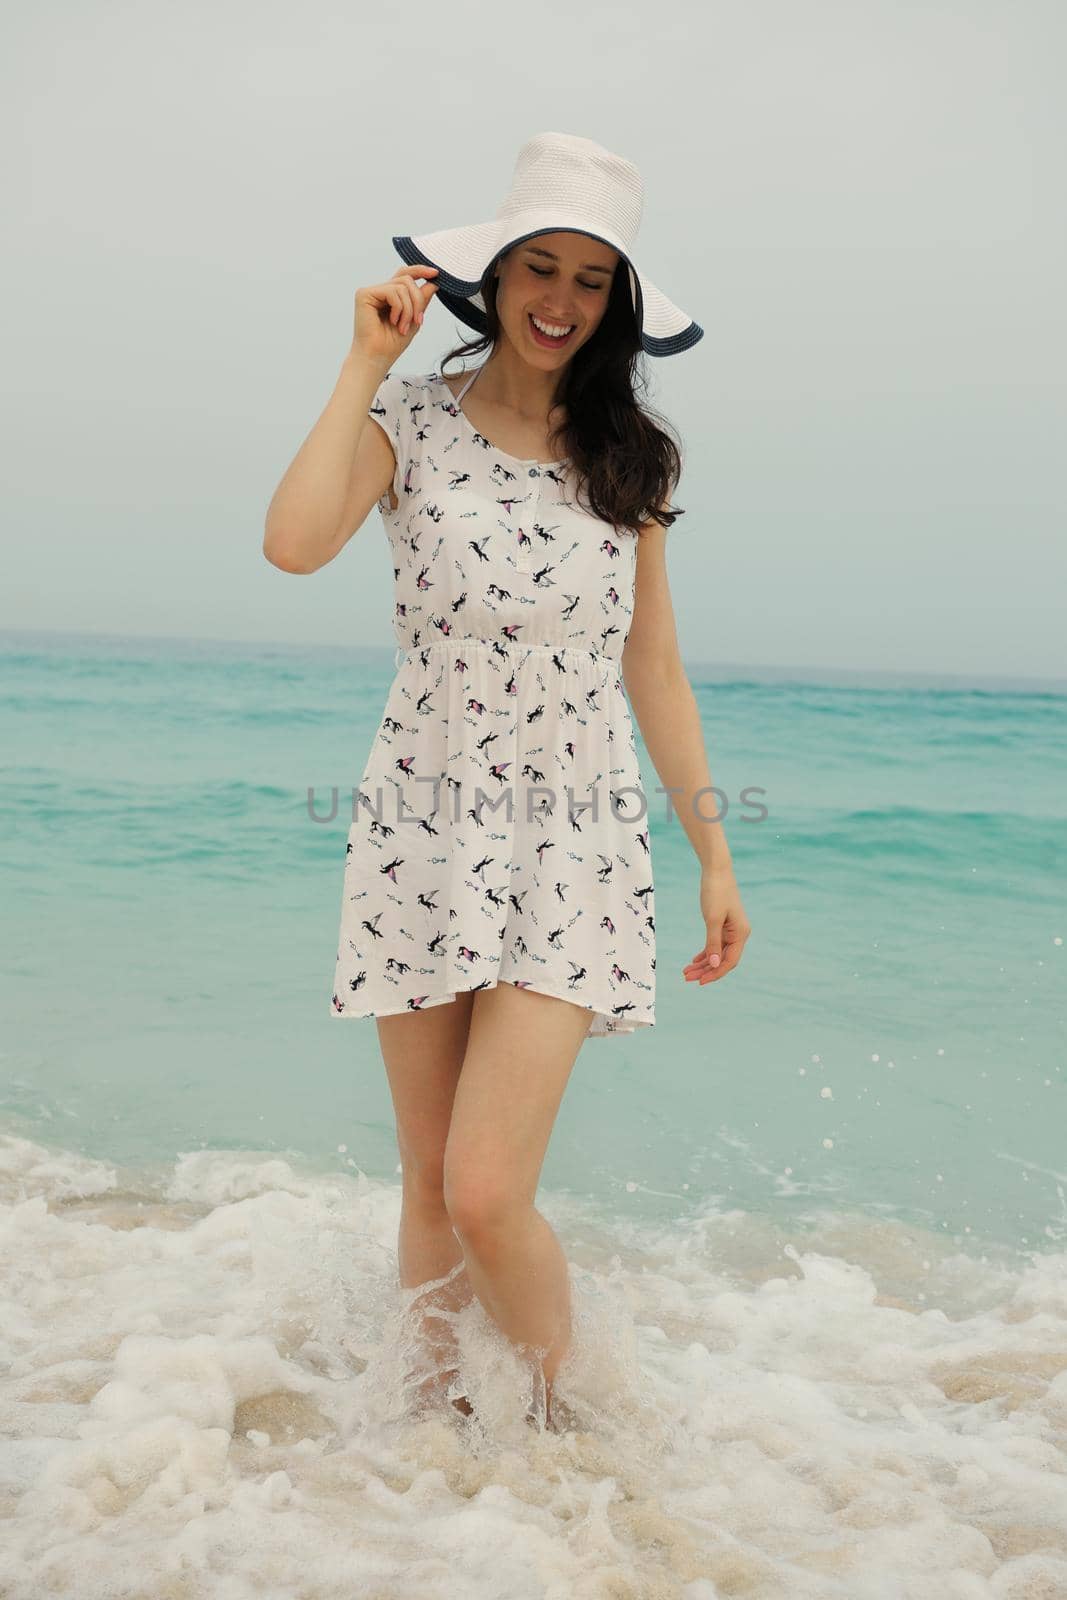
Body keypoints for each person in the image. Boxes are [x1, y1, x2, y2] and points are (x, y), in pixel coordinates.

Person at [264, 133, 751, 1431]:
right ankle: (424, 1455)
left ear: (619, 303)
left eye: (593, 280)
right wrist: (365, 363)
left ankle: (570, 1433)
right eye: (542, 266)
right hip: (423, 825)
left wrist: (712, 849)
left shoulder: (631, 456)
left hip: (578, 842)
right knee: (427, 1183)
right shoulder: (408, 423)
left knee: (487, 1189)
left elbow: (654, 665)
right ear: (495, 276)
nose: (563, 299)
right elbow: (294, 543)